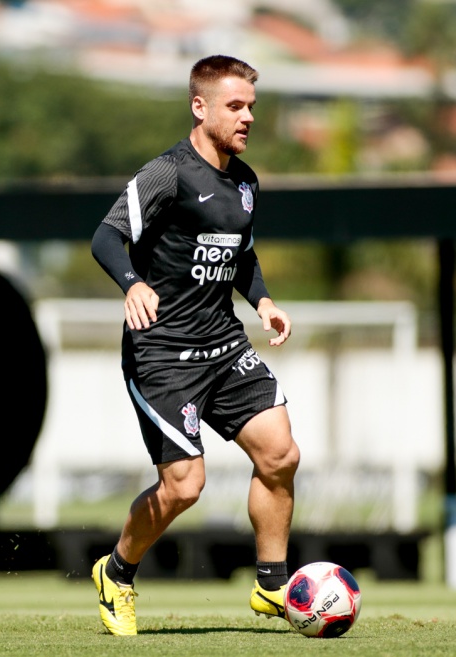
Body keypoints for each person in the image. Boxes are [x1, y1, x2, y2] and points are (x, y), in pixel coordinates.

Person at [88, 54, 300, 636]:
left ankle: (271, 583)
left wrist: (263, 301)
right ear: (199, 106)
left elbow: (241, 254)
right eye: (236, 106)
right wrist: (132, 284)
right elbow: (106, 236)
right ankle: (117, 573)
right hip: (162, 353)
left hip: (224, 344)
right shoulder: (167, 173)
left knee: (280, 454)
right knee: (186, 485)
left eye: (252, 106)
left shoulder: (246, 182)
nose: (247, 117)